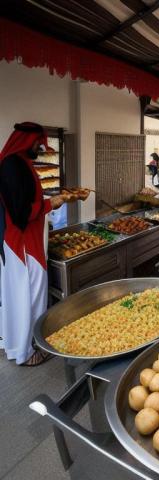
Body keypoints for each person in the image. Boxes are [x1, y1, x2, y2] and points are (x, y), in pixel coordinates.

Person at [0, 122, 65, 365]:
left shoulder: (18, 162)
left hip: (28, 240)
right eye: (38, 143)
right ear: (27, 141)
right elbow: (20, 212)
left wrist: (47, 201)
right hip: (23, 244)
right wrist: (51, 204)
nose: (40, 147)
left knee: (21, 295)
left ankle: (20, 343)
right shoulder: (12, 165)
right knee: (28, 296)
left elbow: (25, 198)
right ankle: (25, 352)